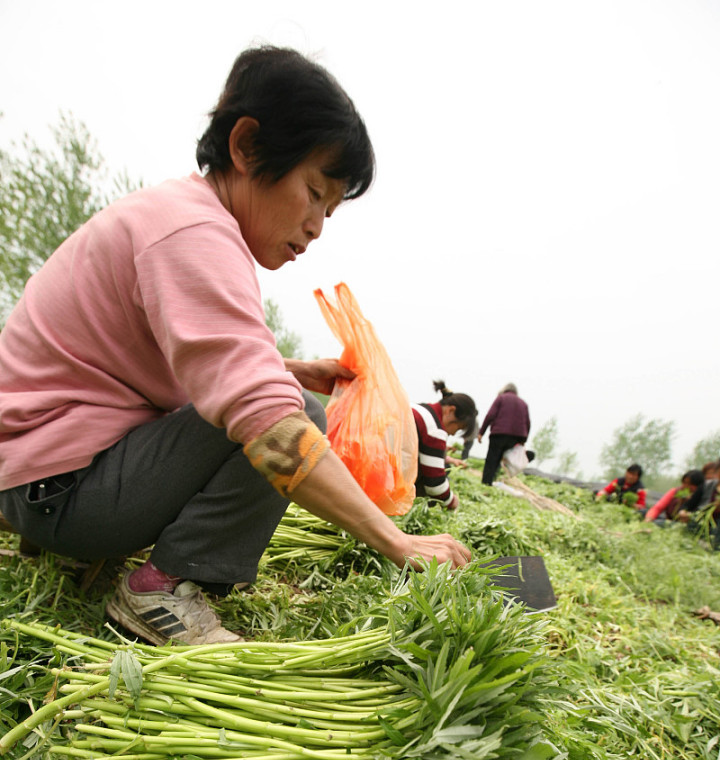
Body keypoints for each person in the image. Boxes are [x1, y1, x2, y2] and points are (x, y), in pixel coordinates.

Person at [0, 46, 471, 647]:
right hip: (62, 495)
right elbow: (267, 423)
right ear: (246, 147)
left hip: (35, 481)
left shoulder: (174, 215)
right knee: (294, 417)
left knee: (285, 395)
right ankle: (164, 588)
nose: (317, 226)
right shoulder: (195, 237)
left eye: (330, 209)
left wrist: (292, 368)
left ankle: (76, 550)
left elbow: (173, 359)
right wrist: (396, 540)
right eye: (313, 191)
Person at [412, 380, 477, 510]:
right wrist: (452, 501)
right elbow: (435, 486)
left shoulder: (419, 409)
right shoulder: (434, 428)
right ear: (450, 410)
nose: (453, 434)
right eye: (458, 427)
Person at [477, 382, 531, 485]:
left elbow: (490, 415)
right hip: (515, 436)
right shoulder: (523, 403)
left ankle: (486, 483)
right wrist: (524, 440)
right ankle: (492, 480)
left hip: (499, 433)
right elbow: (528, 423)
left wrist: (481, 432)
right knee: (501, 458)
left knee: (492, 458)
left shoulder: (501, 398)